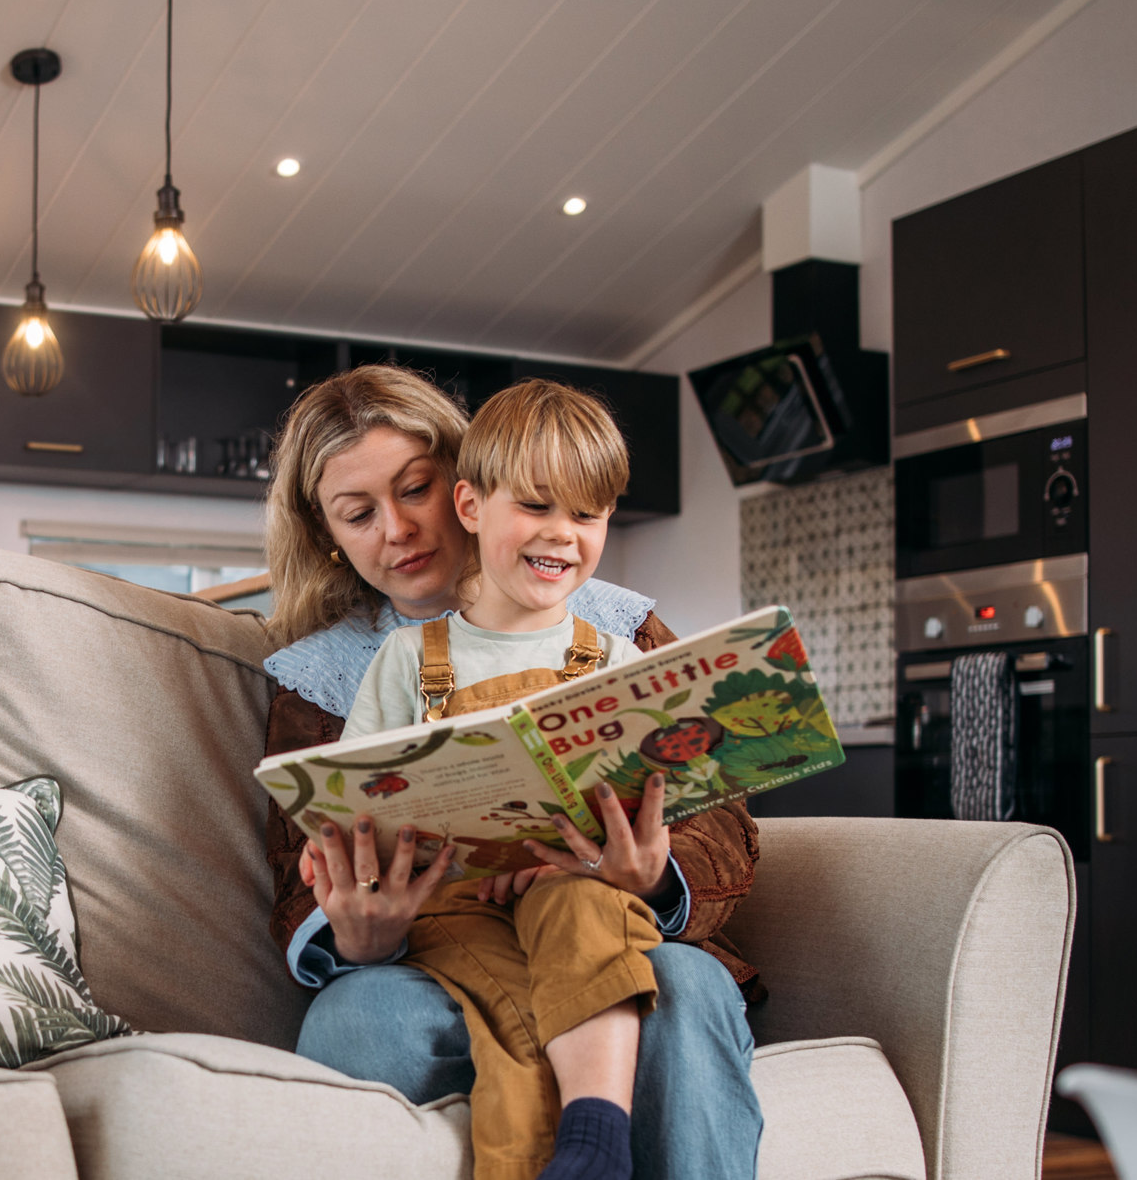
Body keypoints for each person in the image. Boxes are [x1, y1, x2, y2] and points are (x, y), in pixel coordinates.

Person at [260, 365, 762, 1180]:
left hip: (599, 915)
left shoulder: (614, 627)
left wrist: (650, 875)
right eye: (358, 514)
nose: (397, 529)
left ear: (465, 483)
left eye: (414, 488)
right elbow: (304, 865)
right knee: (356, 1019)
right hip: (440, 947)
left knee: (680, 985)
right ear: (327, 534)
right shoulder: (325, 675)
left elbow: (719, 814)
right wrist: (360, 929)